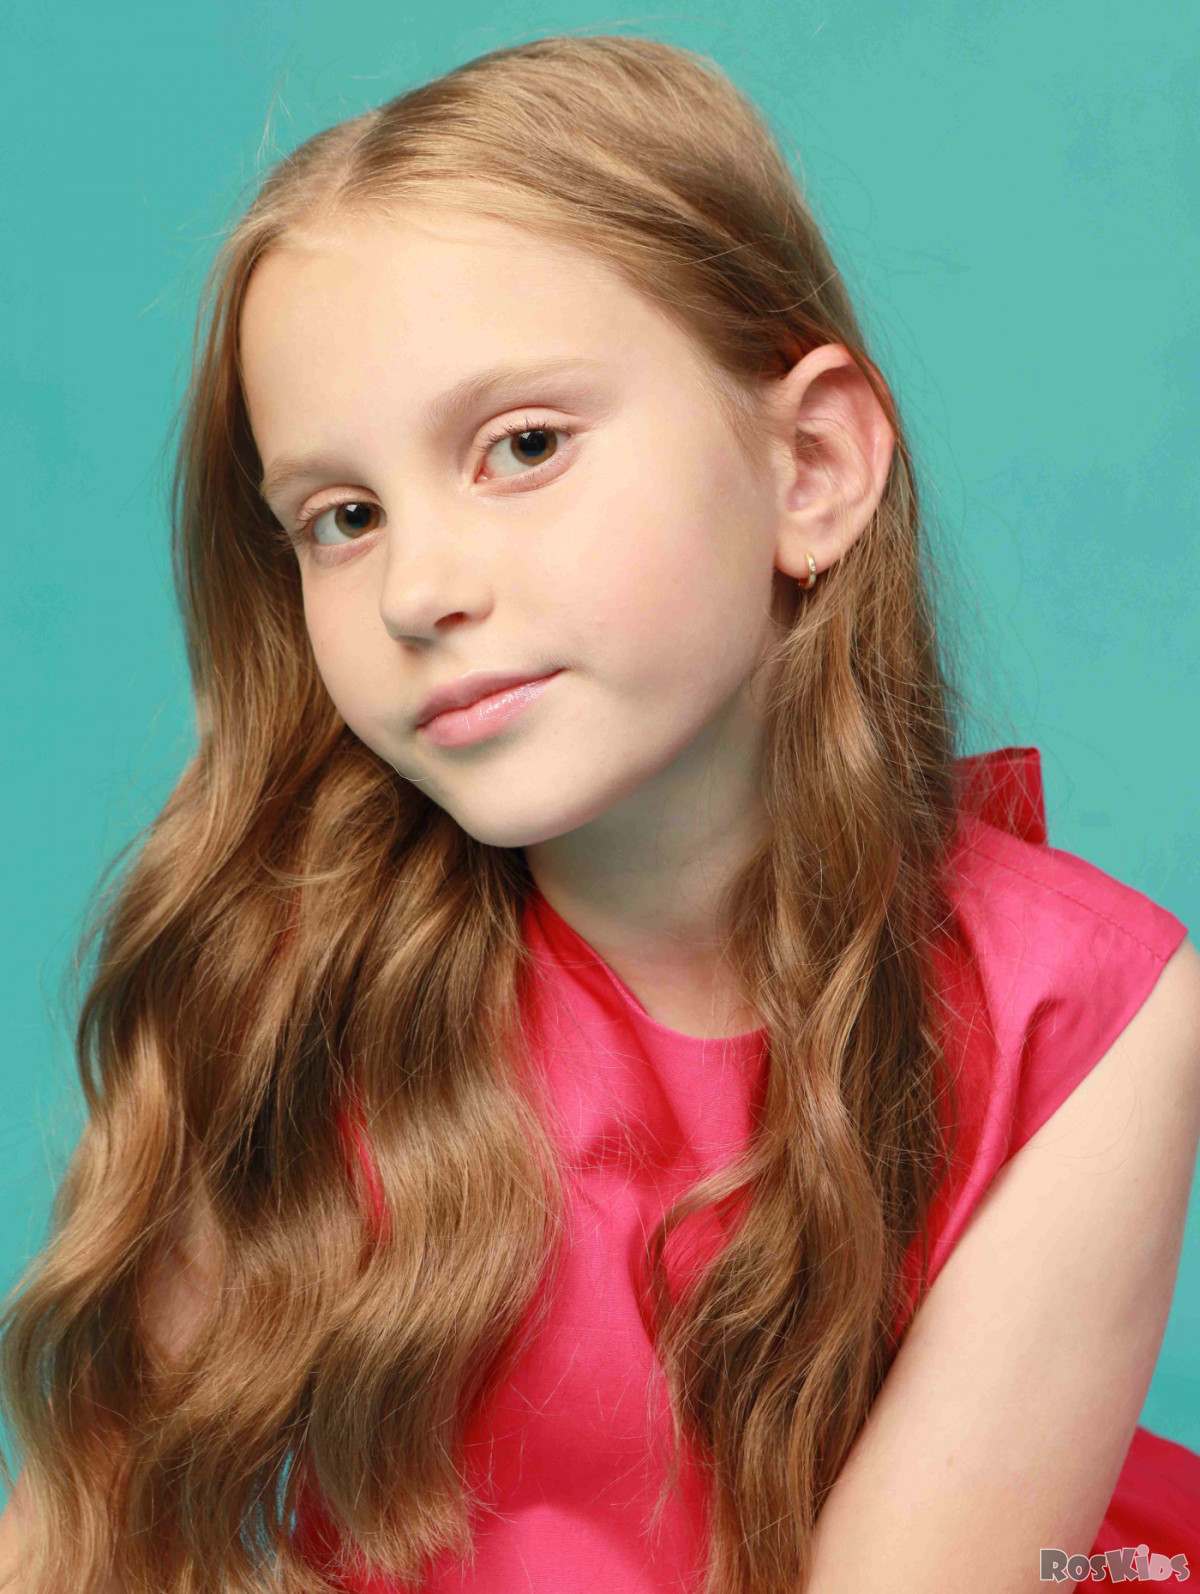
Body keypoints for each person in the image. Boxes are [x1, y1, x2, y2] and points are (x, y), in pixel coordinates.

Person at [1, 31, 1198, 1594]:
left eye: (523, 447)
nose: (421, 588)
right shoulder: (293, 976)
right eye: (344, 516)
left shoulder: (1086, 1012)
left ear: (811, 466)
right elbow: (84, 1531)